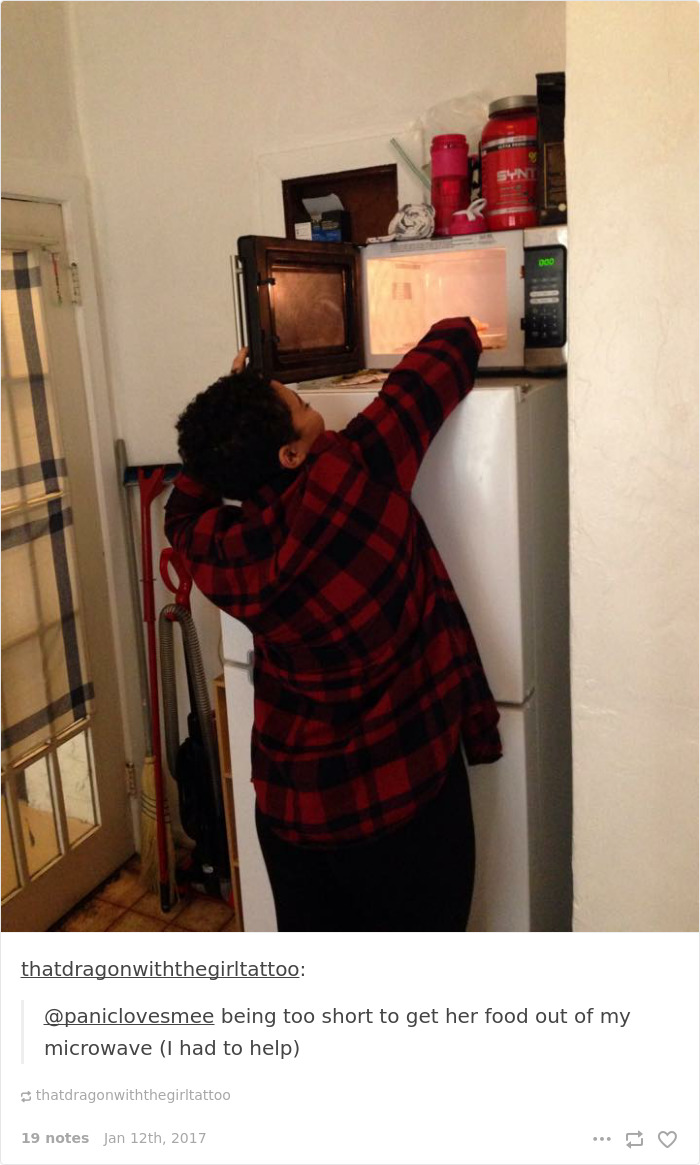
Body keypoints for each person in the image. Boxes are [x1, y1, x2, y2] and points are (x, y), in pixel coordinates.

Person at [165, 317, 502, 932]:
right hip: (400, 800)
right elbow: (452, 344)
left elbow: (182, 510)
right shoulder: (358, 469)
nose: (309, 399)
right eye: (298, 404)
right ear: (291, 453)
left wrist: (227, 428)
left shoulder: (220, 550)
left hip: (294, 813)